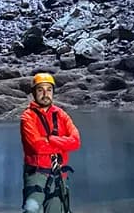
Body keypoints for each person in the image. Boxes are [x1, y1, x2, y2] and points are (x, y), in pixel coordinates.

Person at [20, 72, 81, 213]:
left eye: (49, 90)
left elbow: (76, 142)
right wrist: (62, 144)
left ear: (53, 92)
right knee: (31, 209)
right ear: (34, 93)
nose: (45, 94)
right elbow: (37, 146)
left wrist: (52, 140)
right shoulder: (27, 117)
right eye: (40, 90)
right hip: (36, 174)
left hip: (59, 174)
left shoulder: (61, 115)